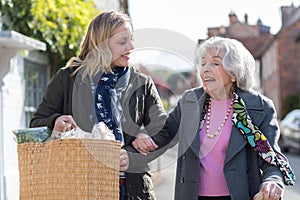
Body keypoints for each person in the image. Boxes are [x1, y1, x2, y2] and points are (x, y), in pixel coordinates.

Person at [132, 36, 295, 200]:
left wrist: (272, 182)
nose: (205, 70)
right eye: (203, 64)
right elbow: (165, 133)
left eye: (215, 63)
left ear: (234, 73)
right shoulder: (190, 101)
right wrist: (144, 136)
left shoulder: (258, 107)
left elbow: (270, 157)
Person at [30, 11, 166, 200]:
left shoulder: (141, 83)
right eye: (122, 42)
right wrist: (55, 122)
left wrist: (140, 142)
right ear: (100, 43)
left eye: (131, 40)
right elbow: (36, 123)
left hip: (132, 190)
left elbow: (164, 129)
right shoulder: (67, 79)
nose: (131, 47)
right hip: (79, 188)